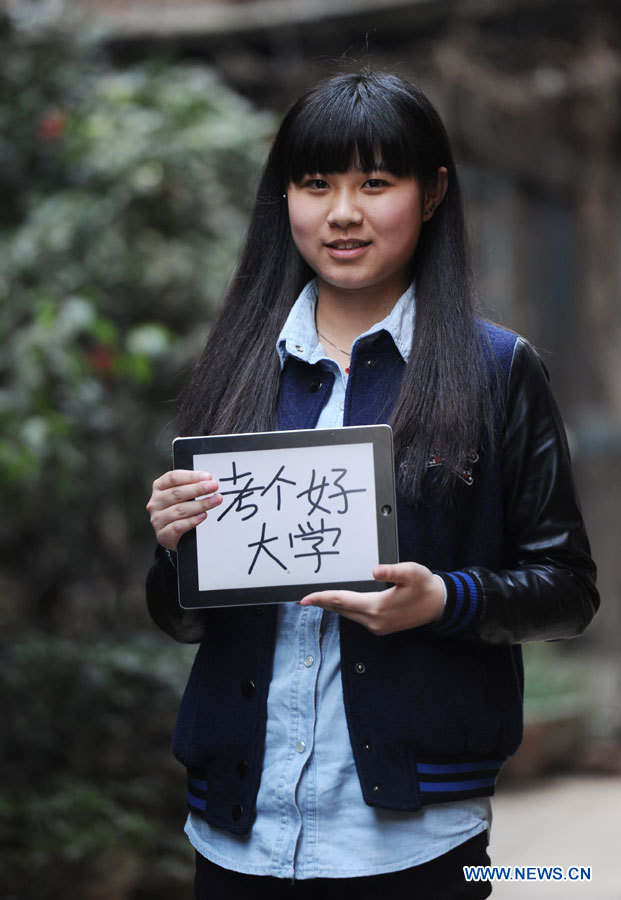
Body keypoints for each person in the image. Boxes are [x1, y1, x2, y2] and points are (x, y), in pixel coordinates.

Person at [145, 71, 598, 899]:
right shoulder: (237, 368)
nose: (341, 211)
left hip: (409, 839)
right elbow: (182, 619)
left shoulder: (496, 370)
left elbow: (566, 590)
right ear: (283, 196)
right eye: (315, 183)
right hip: (238, 832)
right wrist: (174, 544)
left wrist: (444, 601)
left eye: (374, 182)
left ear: (431, 194)